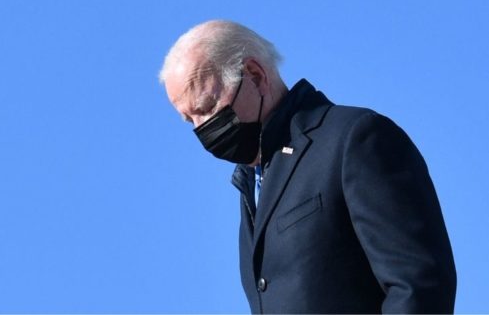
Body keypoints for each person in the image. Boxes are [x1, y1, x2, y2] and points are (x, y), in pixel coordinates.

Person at [158, 20, 456, 314]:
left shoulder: (354, 139)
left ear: (255, 75)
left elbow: (419, 285)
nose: (202, 128)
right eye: (190, 120)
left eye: (208, 107)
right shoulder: (252, 187)